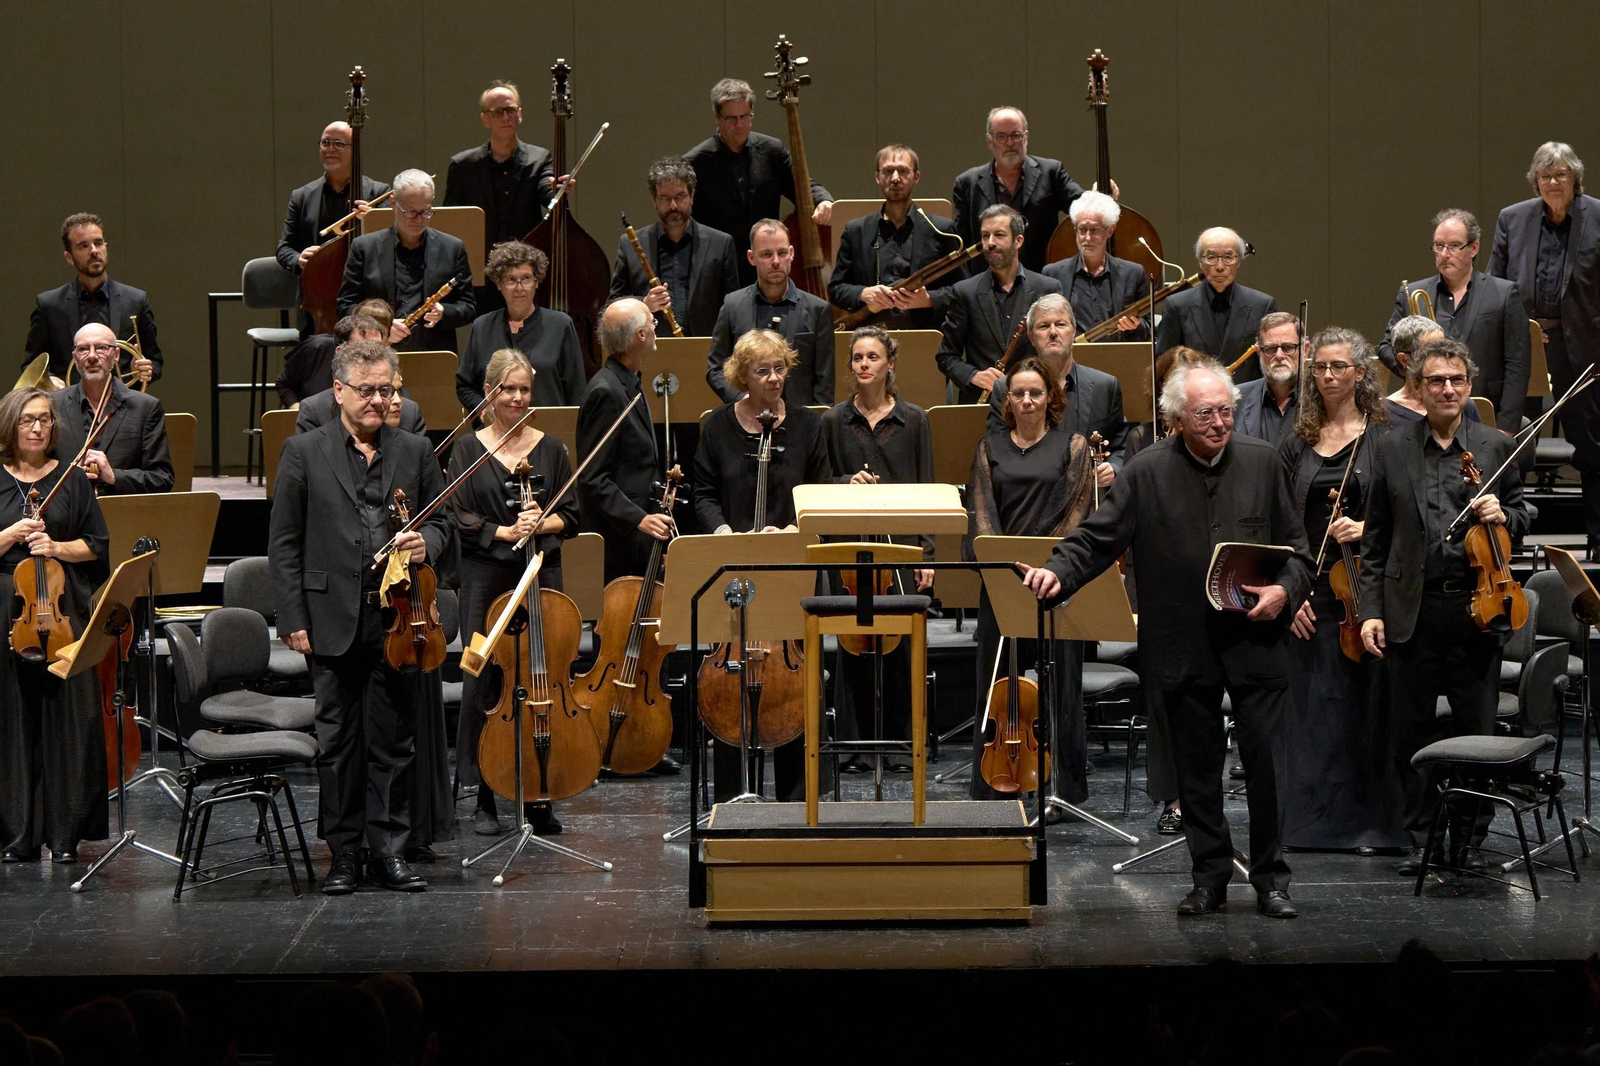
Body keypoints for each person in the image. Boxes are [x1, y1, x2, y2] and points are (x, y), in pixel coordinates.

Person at [1022, 358, 1313, 919]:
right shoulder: (1146, 471)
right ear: (1177, 418)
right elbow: (1096, 539)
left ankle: (1272, 880)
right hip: (1182, 641)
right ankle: (1209, 878)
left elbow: (1299, 553)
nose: (1219, 423)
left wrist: (1284, 591)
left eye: (1226, 411)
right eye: (1205, 414)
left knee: (1267, 767)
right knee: (1196, 771)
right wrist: (1057, 573)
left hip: (1256, 638)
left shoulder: (1262, 461)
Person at [268, 340, 453, 895]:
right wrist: (293, 617)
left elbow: (443, 523)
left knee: (393, 742)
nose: (378, 400)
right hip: (330, 617)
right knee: (339, 744)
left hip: (397, 619)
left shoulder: (415, 450)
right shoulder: (303, 451)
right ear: (339, 390)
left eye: (386, 390)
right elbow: (285, 543)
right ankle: (344, 853)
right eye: (367, 390)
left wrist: (427, 543)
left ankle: (389, 851)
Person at [1358, 338, 1531, 875]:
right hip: (1412, 608)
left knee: (1476, 731)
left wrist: (1504, 515)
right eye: (1436, 380)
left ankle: (1469, 839)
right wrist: (1371, 610)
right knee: (1409, 734)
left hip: (1478, 610)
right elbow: (1375, 542)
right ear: (1418, 387)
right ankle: (1421, 838)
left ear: (1469, 385)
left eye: (1456, 380)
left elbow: (1524, 515)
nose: (1448, 389)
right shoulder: (1391, 447)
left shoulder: (1495, 446)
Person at [1279, 327, 1405, 852]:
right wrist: (1290, 595)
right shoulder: (1297, 441)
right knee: (1312, 711)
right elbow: (1279, 522)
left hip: (1365, 593)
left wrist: (1367, 528)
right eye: (1321, 368)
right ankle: (1309, 826)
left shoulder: (1387, 437)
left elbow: (1407, 515)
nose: (1329, 376)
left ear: (1360, 372)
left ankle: (1372, 825)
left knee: (1366, 708)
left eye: (1339, 367)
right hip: (1310, 592)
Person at [693, 329, 831, 803]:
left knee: (793, 677)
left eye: (779, 369)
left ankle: (796, 798)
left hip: (790, 565)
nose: (774, 378)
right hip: (732, 567)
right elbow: (703, 493)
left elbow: (820, 494)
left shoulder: (809, 426)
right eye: (763, 371)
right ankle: (732, 796)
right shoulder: (717, 427)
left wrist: (792, 530)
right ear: (741, 376)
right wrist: (721, 532)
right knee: (729, 674)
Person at [448, 349, 577, 836]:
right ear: (489, 393)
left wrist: (544, 521)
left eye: (525, 389)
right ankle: (485, 793)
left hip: (540, 574)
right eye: (509, 389)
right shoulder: (467, 450)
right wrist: (503, 531)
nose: (518, 398)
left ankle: (540, 791)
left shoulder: (552, 449)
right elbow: (457, 514)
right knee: (485, 683)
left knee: (541, 676)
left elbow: (574, 513)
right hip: (486, 577)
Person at [964, 357, 1095, 806]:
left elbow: (1076, 511)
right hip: (1002, 581)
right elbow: (981, 512)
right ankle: (996, 780)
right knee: (995, 681)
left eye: (1035, 393)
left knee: (1061, 684)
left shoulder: (1073, 446)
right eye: (1018, 393)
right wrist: (1006, 564)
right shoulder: (989, 447)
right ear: (1007, 400)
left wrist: (1042, 565)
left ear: (1050, 398)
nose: (1026, 400)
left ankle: (1061, 789)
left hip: (1055, 581)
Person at [0, 387, 110, 864]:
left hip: (61, 613)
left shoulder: (71, 479)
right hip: (6, 614)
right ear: (10, 425)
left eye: (45, 419)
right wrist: (9, 535)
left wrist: (56, 548)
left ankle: (65, 836)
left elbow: (97, 544)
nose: (38, 428)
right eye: (28, 419)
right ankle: (16, 836)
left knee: (69, 718)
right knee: (12, 720)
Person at [821, 327, 935, 773]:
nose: (864, 364)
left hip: (900, 548)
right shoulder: (833, 421)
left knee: (901, 647)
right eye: (858, 358)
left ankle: (902, 746)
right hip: (849, 550)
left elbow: (926, 488)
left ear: (890, 363)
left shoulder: (915, 419)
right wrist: (843, 482)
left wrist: (926, 555)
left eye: (873, 357)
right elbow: (819, 479)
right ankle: (854, 747)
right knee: (852, 648)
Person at [1120, 345, 1211, 835]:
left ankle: (1206, 799)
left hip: (1213, 591)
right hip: (1158, 586)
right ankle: (1172, 798)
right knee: (1161, 698)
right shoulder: (1142, 442)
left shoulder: (1224, 445)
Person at [1491, 142, 1600, 544]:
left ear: (1575, 178)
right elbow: (1495, 284)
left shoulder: (1598, 216)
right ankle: (1507, 538)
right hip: (1526, 347)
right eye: (1545, 176)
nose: (1553, 182)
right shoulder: (1512, 219)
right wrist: (1519, 330)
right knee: (1509, 441)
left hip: (1584, 348)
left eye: (1561, 175)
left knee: (1592, 446)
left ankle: (1598, 539)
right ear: (1536, 181)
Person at [1377, 209, 1529, 432]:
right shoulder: (1412, 293)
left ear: (1474, 248)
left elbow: (1518, 363)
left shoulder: (1504, 294)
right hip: (1424, 416)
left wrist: (1506, 426)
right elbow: (1386, 347)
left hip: (1486, 412)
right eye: (1439, 246)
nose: (1444, 254)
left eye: (1454, 246)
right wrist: (1418, 374)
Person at [684, 78, 834, 286]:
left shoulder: (772, 151)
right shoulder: (696, 162)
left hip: (767, 267)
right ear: (716, 116)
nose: (739, 125)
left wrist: (824, 201)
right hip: (721, 270)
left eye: (745, 116)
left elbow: (804, 186)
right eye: (731, 118)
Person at [444, 80, 574, 316]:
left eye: (511, 110)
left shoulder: (539, 159)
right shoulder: (463, 165)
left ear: (520, 115)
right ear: (485, 119)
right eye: (498, 112)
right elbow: (452, 221)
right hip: (483, 276)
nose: (506, 117)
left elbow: (549, 198)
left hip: (526, 272)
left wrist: (558, 190)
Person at [982, 295, 1128, 479]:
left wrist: (1114, 468)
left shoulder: (1104, 386)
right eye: (1043, 326)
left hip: (1087, 492)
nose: (1053, 332)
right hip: (1028, 491)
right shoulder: (1004, 388)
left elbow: (1122, 447)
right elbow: (995, 450)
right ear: (1031, 337)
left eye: (1060, 324)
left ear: (1073, 331)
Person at [577, 299, 671, 583]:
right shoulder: (605, 392)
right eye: (652, 323)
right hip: (621, 539)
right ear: (640, 335)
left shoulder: (628, 381)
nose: (655, 328)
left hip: (640, 534)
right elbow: (592, 478)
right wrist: (638, 518)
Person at [935, 205, 1063, 404]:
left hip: (1034, 402)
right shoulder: (964, 292)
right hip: (983, 404)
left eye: (999, 235)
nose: (990, 243)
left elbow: (1058, 348)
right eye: (985, 236)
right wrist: (973, 375)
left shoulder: (1047, 288)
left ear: (1018, 241)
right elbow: (946, 356)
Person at [829, 144, 963, 332]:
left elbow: (963, 292)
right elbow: (836, 289)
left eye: (903, 171)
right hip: (870, 338)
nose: (895, 178)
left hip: (925, 336)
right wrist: (863, 293)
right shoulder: (855, 231)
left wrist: (929, 299)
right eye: (888, 171)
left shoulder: (941, 229)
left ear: (916, 177)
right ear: (877, 177)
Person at [339, 170, 475, 353]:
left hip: (433, 354)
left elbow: (468, 306)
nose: (419, 219)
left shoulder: (452, 248)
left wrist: (444, 312)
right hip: (375, 355)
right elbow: (345, 306)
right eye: (410, 212)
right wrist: (381, 325)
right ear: (393, 202)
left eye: (425, 212)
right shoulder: (364, 248)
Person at [951, 106, 1095, 275]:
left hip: (1041, 278)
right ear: (990, 141)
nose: (1010, 143)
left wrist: (1097, 194)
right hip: (987, 282)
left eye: (1016, 135)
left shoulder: (1051, 172)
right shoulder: (967, 183)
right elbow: (960, 246)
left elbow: (1085, 207)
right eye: (1001, 137)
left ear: (1026, 137)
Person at [276, 121, 391, 333]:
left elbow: (391, 245)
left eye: (338, 143)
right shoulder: (302, 196)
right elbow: (284, 249)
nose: (330, 149)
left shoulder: (378, 193)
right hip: (317, 304)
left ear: (355, 151)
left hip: (367, 298)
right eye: (325, 143)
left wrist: (372, 222)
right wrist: (298, 259)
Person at [608, 156, 740, 337]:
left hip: (704, 349)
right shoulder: (629, 244)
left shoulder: (721, 243)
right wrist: (643, 304)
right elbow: (613, 305)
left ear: (692, 196)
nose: (673, 206)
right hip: (649, 349)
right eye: (664, 198)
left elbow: (733, 308)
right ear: (654, 200)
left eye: (680, 196)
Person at [706, 220, 834, 405]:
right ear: (751, 257)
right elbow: (715, 368)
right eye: (766, 254)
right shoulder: (732, 305)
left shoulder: (818, 310)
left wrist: (813, 418)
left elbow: (825, 380)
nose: (775, 261)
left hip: (799, 417)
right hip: (746, 417)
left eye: (782, 253)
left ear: (791, 253)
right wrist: (741, 400)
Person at [25, 212, 160, 383]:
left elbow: (155, 361)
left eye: (98, 243)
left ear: (106, 247)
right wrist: (50, 380)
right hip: (68, 398)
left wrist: (143, 370)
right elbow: (32, 367)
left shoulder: (136, 300)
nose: (94, 251)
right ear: (69, 257)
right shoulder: (49, 305)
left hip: (122, 398)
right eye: (83, 246)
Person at [458, 242, 584, 412]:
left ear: (536, 282)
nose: (519, 288)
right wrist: (483, 410)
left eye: (526, 279)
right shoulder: (482, 326)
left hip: (547, 426)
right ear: (499, 283)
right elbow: (465, 385)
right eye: (511, 280)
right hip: (495, 427)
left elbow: (577, 391)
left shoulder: (561, 325)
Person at [50, 323, 174, 495]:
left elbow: (162, 479)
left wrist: (114, 476)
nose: (92, 356)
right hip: (68, 508)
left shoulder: (146, 408)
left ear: (116, 355)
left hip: (122, 509)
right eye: (83, 349)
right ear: (74, 357)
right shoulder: (53, 404)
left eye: (101, 348)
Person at [1153, 228, 1275, 382]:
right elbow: (1165, 365)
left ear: (1239, 260)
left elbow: (1270, 363)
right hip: (1195, 395)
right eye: (1211, 257)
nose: (1220, 266)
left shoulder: (1263, 305)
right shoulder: (1177, 306)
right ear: (1200, 261)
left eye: (1228, 257)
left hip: (1246, 396)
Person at [1042, 190, 1150, 340]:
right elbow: (1044, 325)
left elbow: (1148, 330)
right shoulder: (1052, 274)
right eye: (1082, 229)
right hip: (1072, 354)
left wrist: (1133, 327)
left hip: (1118, 353)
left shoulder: (1133, 274)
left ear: (1110, 231)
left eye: (1094, 230)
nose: (1087, 237)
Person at [1384, 314, 1482, 427]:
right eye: (1429, 352)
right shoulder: (1384, 412)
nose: (1441, 358)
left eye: (1443, 349)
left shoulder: (1461, 403)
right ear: (1404, 359)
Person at [1233, 312, 1306, 445]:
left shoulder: (1322, 398)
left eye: (1288, 347)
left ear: (1305, 350)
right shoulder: (1236, 398)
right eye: (1270, 348)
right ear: (1258, 353)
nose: (1279, 356)